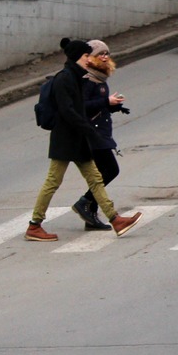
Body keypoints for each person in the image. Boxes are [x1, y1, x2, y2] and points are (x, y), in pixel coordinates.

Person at [24, 38, 142, 241]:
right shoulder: (65, 79)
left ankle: (116, 220)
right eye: (87, 55)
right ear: (78, 57)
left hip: (78, 137)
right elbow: (68, 111)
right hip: (66, 138)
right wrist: (89, 130)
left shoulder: (78, 77)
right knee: (53, 182)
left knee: (96, 179)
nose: (90, 59)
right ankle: (34, 225)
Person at [71, 39, 130, 231]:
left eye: (107, 53)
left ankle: (90, 215)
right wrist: (106, 102)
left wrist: (114, 107)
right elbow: (82, 107)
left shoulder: (99, 77)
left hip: (100, 131)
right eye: (100, 54)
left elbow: (99, 105)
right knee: (110, 170)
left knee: (99, 174)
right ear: (90, 58)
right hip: (92, 134)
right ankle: (85, 202)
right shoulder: (88, 80)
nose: (105, 57)